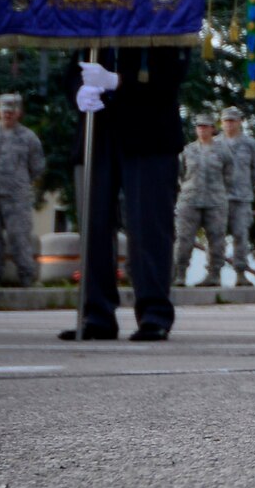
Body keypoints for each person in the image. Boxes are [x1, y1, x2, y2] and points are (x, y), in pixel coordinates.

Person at [60, 47, 188, 340]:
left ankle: (154, 314)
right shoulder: (94, 20)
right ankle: (96, 314)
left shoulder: (161, 18)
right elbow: (72, 70)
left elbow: (173, 73)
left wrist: (119, 81)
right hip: (97, 131)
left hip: (149, 133)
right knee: (93, 227)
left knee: (149, 228)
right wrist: (79, 92)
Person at [0, 94, 46, 287]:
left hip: (16, 196)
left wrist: (19, 181)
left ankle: (26, 276)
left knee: (19, 236)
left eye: (12, 111)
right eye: (4, 110)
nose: (8, 114)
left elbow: (37, 167)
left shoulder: (29, 138)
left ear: (19, 112)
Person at [172, 112, 231, 287]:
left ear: (213, 129)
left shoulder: (222, 151)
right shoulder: (188, 150)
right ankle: (180, 274)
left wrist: (220, 192)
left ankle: (214, 274)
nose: (202, 129)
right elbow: (180, 174)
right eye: (199, 126)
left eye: (206, 126)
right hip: (190, 201)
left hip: (215, 201)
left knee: (217, 239)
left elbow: (229, 175)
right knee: (184, 238)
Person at [218, 107, 255, 285]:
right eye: (226, 121)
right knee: (216, 236)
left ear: (239, 122)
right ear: (221, 123)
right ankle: (213, 274)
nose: (229, 124)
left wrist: (246, 184)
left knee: (241, 236)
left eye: (232, 120)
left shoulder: (249, 144)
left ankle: (241, 273)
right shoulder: (215, 144)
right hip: (219, 199)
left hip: (242, 198)